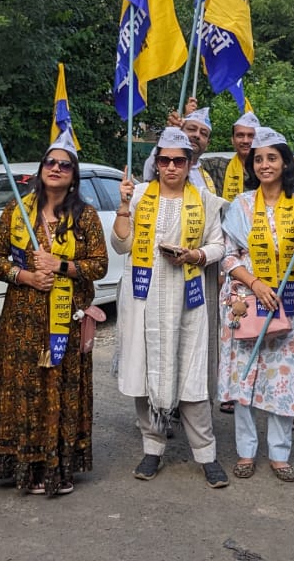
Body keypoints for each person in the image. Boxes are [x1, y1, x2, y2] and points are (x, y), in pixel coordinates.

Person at [0, 133, 108, 496]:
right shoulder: (17, 211)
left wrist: (61, 265)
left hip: (65, 320)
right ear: (40, 170)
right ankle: (25, 464)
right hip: (22, 320)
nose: (56, 168)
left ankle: (60, 465)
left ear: (73, 175)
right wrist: (25, 276)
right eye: (50, 163)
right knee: (25, 390)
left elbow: (98, 265)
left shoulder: (85, 216)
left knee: (61, 389)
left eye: (64, 165)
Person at [113, 127, 229, 488]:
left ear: (190, 163)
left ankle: (206, 454)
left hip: (188, 301)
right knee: (144, 373)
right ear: (156, 162)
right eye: (164, 160)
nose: (171, 167)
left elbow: (219, 246)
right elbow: (121, 246)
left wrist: (195, 254)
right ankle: (152, 448)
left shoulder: (205, 200)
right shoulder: (140, 195)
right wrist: (122, 206)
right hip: (144, 299)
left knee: (192, 379)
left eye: (179, 160)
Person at [218, 127, 294, 483]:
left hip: (291, 303)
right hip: (248, 301)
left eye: (271, 158)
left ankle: (280, 453)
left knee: (284, 378)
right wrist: (257, 283)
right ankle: (246, 451)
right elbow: (229, 258)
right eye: (258, 159)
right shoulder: (241, 205)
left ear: (284, 163)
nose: (264, 164)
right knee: (244, 374)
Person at [144, 104, 216, 192]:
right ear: (180, 132)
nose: (197, 135)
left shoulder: (206, 177)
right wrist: (171, 135)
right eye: (191, 129)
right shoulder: (165, 164)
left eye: (203, 133)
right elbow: (153, 163)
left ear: (208, 143)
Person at [221, 110, 260, 203]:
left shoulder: (269, 169)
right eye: (240, 135)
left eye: (251, 136)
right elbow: (190, 160)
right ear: (232, 140)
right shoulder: (218, 166)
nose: (245, 140)